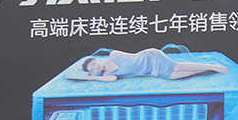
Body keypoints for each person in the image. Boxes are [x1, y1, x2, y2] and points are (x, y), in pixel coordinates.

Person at [77, 48, 226, 81]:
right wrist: (93, 77)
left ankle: (212, 66)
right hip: (151, 71)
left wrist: (149, 51)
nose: (95, 67)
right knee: (174, 76)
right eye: (92, 69)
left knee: (176, 67)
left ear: (96, 60)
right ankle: (206, 69)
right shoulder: (107, 75)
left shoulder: (114, 55)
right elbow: (112, 79)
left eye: (94, 64)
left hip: (150, 58)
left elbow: (134, 55)